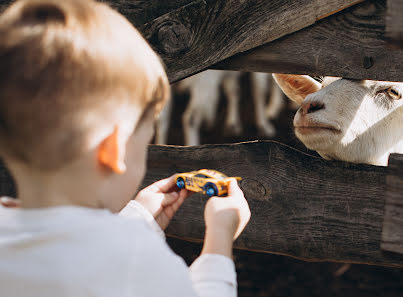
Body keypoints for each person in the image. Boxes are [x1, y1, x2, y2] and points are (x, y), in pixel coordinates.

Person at [0, 0, 251, 296]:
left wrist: (139, 219)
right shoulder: (136, 259)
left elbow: (75, 244)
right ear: (113, 149)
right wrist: (219, 244)